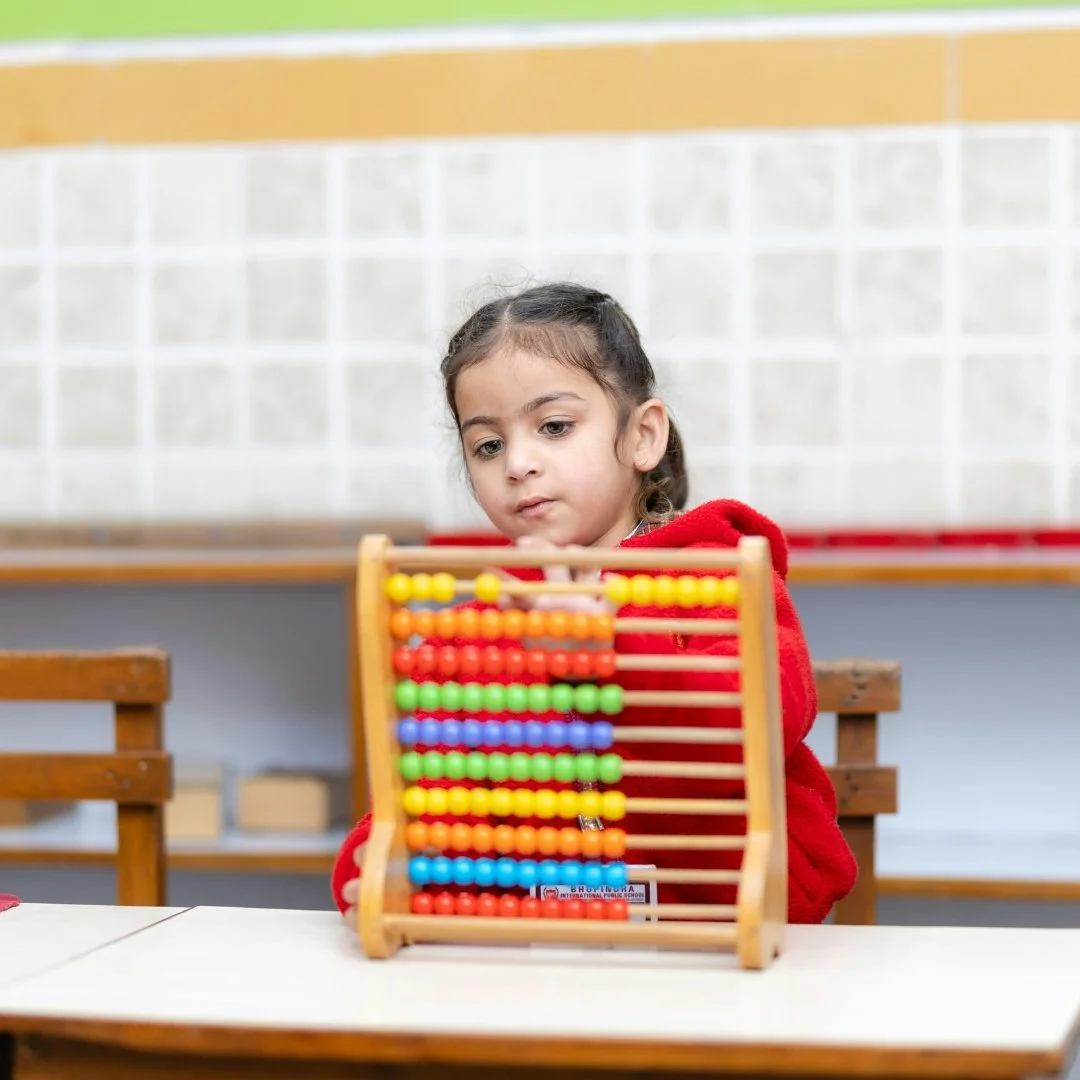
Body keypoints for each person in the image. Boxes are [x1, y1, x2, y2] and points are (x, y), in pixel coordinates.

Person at [332, 282, 856, 926]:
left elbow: (763, 718)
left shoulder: (723, 576)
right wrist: (388, 871)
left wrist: (611, 651)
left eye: (554, 427)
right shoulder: (473, 636)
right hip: (546, 957)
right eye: (487, 445)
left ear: (643, 436)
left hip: (732, 937)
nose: (518, 463)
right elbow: (419, 808)